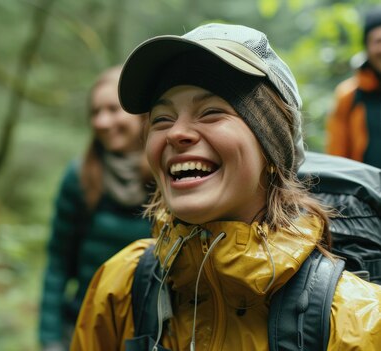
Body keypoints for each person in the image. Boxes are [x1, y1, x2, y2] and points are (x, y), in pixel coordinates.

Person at [70, 23, 381, 351]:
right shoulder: (121, 289)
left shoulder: (356, 323)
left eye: (211, 112)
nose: (176, 133)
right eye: (162, 118)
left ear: (271, 146)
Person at [38, 66, 153, 351]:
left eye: (113, 109)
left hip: (148, 332)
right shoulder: (79, 176)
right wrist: (50, 339)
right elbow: (58, 262)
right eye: (95, 112)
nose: (102, 121)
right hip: (83, 327)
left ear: (140, 113)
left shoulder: (168, 174)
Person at [326, 7, 381, 167]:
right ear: (366, 47)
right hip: (366, 190)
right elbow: (337, 159)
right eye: (378, 41)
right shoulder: (349, 96)